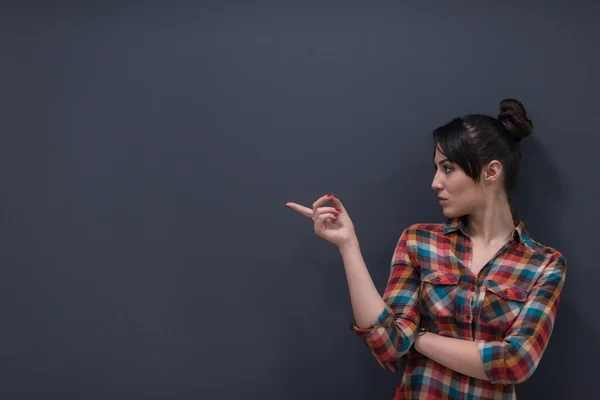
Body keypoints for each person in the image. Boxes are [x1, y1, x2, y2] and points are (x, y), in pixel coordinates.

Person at [285, 99, 566, 399]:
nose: (435, 183)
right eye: (436, 169)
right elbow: (388, 343)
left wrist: (418, 338)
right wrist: (348, 244)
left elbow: (515, 362)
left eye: (448, 168)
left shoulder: (544, 264)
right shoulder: (419, 241)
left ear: (491, 171)